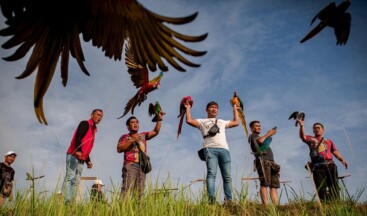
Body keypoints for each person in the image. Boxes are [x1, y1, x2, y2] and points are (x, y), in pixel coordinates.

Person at [185, 101, 239, 204]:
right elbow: (189, 120)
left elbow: (236, 122)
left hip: (224, 150)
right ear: (207, 110)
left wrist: (235, 109)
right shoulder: (202, 121)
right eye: (212, 107)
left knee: (227, 176)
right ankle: (211, 201)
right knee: (211, 174)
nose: (214, 109)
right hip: (210, 149)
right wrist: (188, 108)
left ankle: (229, 201)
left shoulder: (222, 122)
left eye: (216, 107)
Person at [298, 119, 348, 201]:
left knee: (334, 185)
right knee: (320, 187)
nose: (317, 129)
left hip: (330, 165)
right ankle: (324, 204)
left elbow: (335, 151)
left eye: (318, 127)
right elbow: (302, 137)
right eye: (315, 128)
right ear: (313, 130)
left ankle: (336, 203)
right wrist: (301, 126)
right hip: (318, 166)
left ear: (323, 130)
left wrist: (342, 159)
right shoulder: (311, 139)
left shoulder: (329, 141)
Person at [117, 113, 164, 198]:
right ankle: (122, 209)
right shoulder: (125, 137)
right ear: (128, 126)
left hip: (142, 166)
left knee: (139, 191)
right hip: (130, 165)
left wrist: (159, 119)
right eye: (132, 122)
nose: (135, 123)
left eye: (137, 122)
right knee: (127, 189)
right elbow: (119, 149)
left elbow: (156, 131)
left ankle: (137, 210)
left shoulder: (143, 135)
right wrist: (132, 140)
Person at [62, 109, 103, 204]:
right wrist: (78, 151)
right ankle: (66, 201)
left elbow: (86, 147)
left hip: (82, 158)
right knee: (70, 177)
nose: (99, 117)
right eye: (98, 115)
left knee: (76, 181)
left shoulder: (93, 130)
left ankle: (72, 202)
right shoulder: (85, 124)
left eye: (101, 116)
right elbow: (78, 136)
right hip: (73, 154)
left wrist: (88, 160)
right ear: (92, 114)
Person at [248, 121, 279, 205]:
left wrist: (268, 135)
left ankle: (276, 207)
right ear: (252, 128)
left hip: (271, 162)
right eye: (256, 126)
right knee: (264, 183)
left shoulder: (260, 137)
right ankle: (265, 206)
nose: (259, 127)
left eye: (260, 126)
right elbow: (260, 141)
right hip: (263, 161)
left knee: (274, 186)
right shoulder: (252, 136)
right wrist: (268, 134)